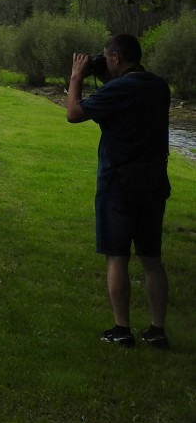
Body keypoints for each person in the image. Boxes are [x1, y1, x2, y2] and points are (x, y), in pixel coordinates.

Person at [67, 34, 171, 349]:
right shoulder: (159, 86)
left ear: (115, 58)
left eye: (105, 57)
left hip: (119, 184)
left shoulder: (119, 89)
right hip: (153, 182)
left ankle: (122, 329)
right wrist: (102, 77)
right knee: (152, 258)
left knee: (117, 256)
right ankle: (157, 330)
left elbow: (73, 114)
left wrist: (76, 78)